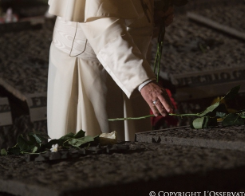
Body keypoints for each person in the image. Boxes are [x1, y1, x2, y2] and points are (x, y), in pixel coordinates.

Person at [47, 0, 174, 141]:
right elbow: (101, 24)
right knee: (98, 142)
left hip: (128, 60)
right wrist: (142, 80)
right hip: (91, 66)